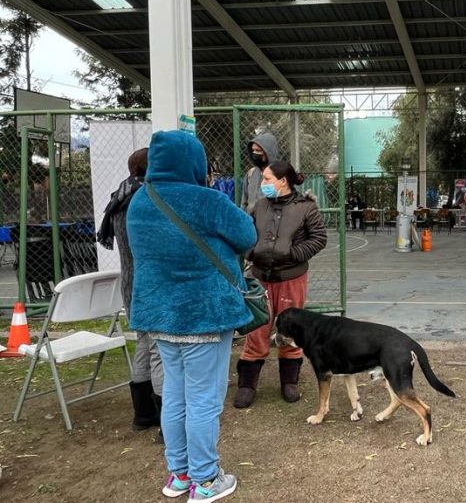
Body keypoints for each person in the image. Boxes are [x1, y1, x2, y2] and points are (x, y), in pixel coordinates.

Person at [128, 131, 257, 502]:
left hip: (160, 317)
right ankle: (205, 480)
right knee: (203, 399)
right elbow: (247, 235)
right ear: (194, 163)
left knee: (175, 395)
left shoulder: (141, 201)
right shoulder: (207, 200)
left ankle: (179, 475)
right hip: (204, 315)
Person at [235, 160, 328, 409]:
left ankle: (290, 383)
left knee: (290, 329)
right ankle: (246, 385)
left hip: (291, 278)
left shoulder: (306, 208)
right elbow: (244, 234)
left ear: (283, 181)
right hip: (260, 278)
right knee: (256, 330)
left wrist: (293, 254)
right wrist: (252, 253)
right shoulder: (259, 206)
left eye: (267, 179)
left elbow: (319, 238)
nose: (263, 184)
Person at [97, 148, 164, 442]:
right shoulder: (145, 198)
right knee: (158, 350)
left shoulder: (119, 197)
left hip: (130, 282)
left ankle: (143, 414)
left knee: (143, 344)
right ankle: (167, 420)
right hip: (150, 283)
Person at [241, 131, 279, 214]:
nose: (254, 153)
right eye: (253, 150)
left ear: (268, 152)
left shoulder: (280, 174)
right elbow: (244, 203)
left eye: (258, 150)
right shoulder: (251, 174)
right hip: (251, 223)